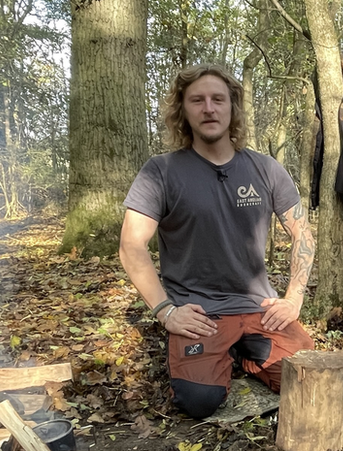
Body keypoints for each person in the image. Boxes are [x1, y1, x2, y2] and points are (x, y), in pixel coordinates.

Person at [119, 63, 316, 419]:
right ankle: (219, 353)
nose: (208, 108)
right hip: (198, 312)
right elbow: (131, 246)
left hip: (259, 308)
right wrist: (166, 311)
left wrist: (294, 299)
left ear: (232, 108)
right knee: (200, 401)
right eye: (197, 100)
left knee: (309, 380)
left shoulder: (266, 169)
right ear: (183, 110)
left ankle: (242, 350)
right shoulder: (160, 172)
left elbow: (303, 232)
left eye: (218, 99)